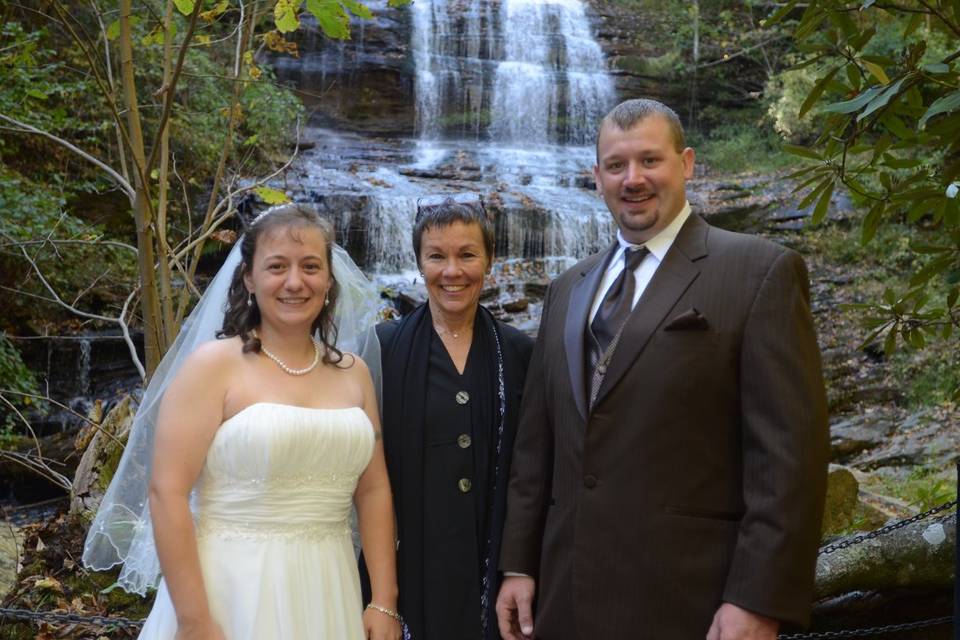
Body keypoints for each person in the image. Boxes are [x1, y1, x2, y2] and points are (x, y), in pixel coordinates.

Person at [495, 98, 829, 639]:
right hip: (564, 599)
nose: (633, 179)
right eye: (616, 165)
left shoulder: (758, 271)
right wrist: (519, 564)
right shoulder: (567, 289)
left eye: (650, 160)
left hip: (690, 601)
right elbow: (536, 447)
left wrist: (756, 599)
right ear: (596, 176)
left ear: (687, 163)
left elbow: (789, 457)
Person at [83, 205, 401, 640]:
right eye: (277, 267)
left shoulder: (354, 372)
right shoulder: (212, 367)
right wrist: (194, 620)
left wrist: (384, 599)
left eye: (310, 266)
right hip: (230, 591)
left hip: (329, 586)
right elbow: (167, 492)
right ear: (249, 277)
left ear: (329, 279)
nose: (295, 282)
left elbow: (374, 488)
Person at [361, 196, 534, 640]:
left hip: (490, 572)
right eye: (437, 256)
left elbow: (532, 471)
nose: (452, 271)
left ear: (490, 261)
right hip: (408, 570)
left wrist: (521, 566)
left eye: (467, 255)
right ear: (419, 262)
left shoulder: (518, 353)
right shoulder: (383, 349)